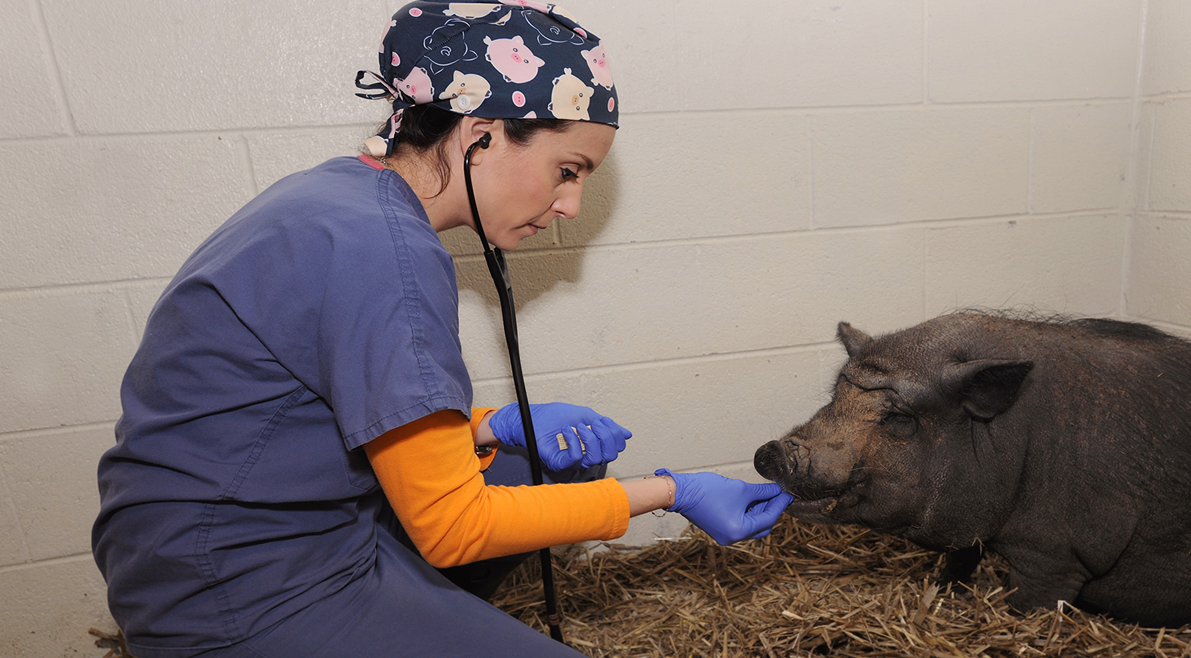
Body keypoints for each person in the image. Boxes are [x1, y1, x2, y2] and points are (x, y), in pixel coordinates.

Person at [91, 3, 794, 657]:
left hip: (229, 527)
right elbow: (456, 527)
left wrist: (489, 427)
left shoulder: (344, 194)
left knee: (553, 460)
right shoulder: (385, 252)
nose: (572, 205)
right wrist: (674, 491)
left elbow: (301, 412)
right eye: (567, 170)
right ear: (480, 136)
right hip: (237, 578)